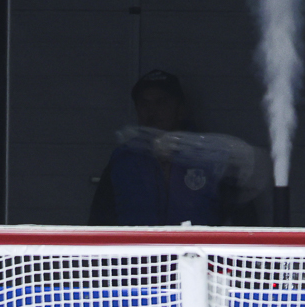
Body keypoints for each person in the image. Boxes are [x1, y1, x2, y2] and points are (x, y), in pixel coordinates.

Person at [89, 70, 263, 226]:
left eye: (161, 102)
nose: (152, 111)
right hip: (138, 259)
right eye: (144, 103)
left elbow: (243, 221)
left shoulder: (212, 156)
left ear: (180, 108)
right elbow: (100, 219)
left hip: (195, 258)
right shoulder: (123, 159)